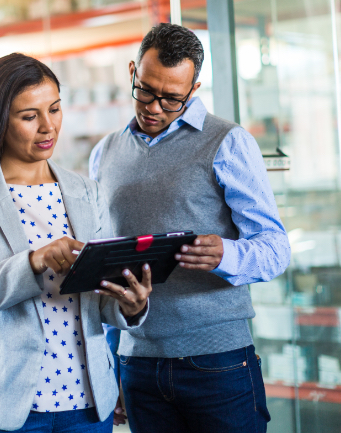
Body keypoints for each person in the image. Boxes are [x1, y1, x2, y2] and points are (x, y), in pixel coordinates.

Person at [0, 53, 152, 433]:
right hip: (2, 403)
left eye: (54, 109)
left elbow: (98, 302)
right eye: (29, 116)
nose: (48, 127)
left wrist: (129, 306)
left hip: (85, 402)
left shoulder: (86, 191)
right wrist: (31, 263)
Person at [89, 23, 291, 433]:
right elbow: (107, 268)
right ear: (132, 72)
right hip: (137, 364)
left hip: (218, 364)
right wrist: (111, 362)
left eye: (172, 98)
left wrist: (227, 254)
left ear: (194, 89)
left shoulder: (227, 142)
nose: (154, 107)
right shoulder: (104, 153)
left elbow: (276, 248)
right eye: (145, 90)